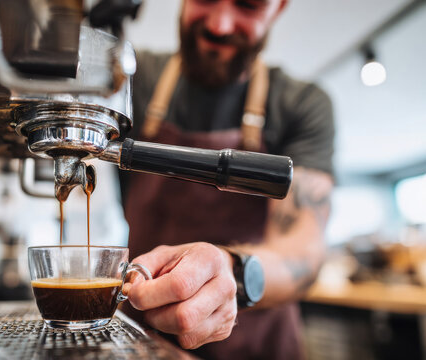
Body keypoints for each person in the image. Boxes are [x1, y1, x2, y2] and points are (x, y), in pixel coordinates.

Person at [120, 0, 335, 359]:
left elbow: (305, 254)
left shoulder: (302, 104)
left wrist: (232, 271)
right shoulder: (130, 80)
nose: (220, 25)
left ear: (279, 8)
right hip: (144, 340)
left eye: (248, 5)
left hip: (256, 346)